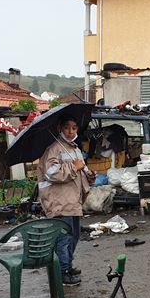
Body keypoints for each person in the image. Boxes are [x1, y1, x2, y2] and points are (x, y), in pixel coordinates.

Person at [37, 114, 95, 285]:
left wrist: (89, 176)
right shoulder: (54, 149)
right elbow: (51, 173)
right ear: (59, 129)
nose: (70, 131)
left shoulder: (74, 148)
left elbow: (80, 170)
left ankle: (67, 265)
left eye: (74, 128)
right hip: (60, 201)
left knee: (74, 236)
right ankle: (62, 272)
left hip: (73, 201)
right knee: (64, 238)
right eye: (67, 128)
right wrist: (74, 167)